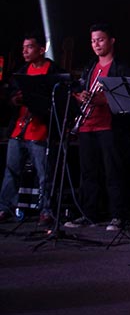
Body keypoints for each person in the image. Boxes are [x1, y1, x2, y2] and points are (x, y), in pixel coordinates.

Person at [65, 23, 130, 231]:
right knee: (88, 172)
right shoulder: (89, 67)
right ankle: (89, 213)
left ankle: (117, 215)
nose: (96, 44)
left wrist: (100, 98)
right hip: (87, 125)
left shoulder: (121, 67)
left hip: (108, 126)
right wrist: (80, 95)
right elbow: (78, 89)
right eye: (93, 40)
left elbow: (125, 97)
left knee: (112, 171)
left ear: (111, 41)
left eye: (101, 39)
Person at [0, 31, 64, 226]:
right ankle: (5, 208)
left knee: (44, 174)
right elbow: (10, 96)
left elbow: (59, 99)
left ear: (41, 49)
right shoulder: (20, 72)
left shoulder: (52, 71)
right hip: (19, 130)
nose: (25, 51)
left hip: (40, 130)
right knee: (11, 171)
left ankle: (46, 210)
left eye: (29, 47)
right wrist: (14, 100)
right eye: (23, 47)